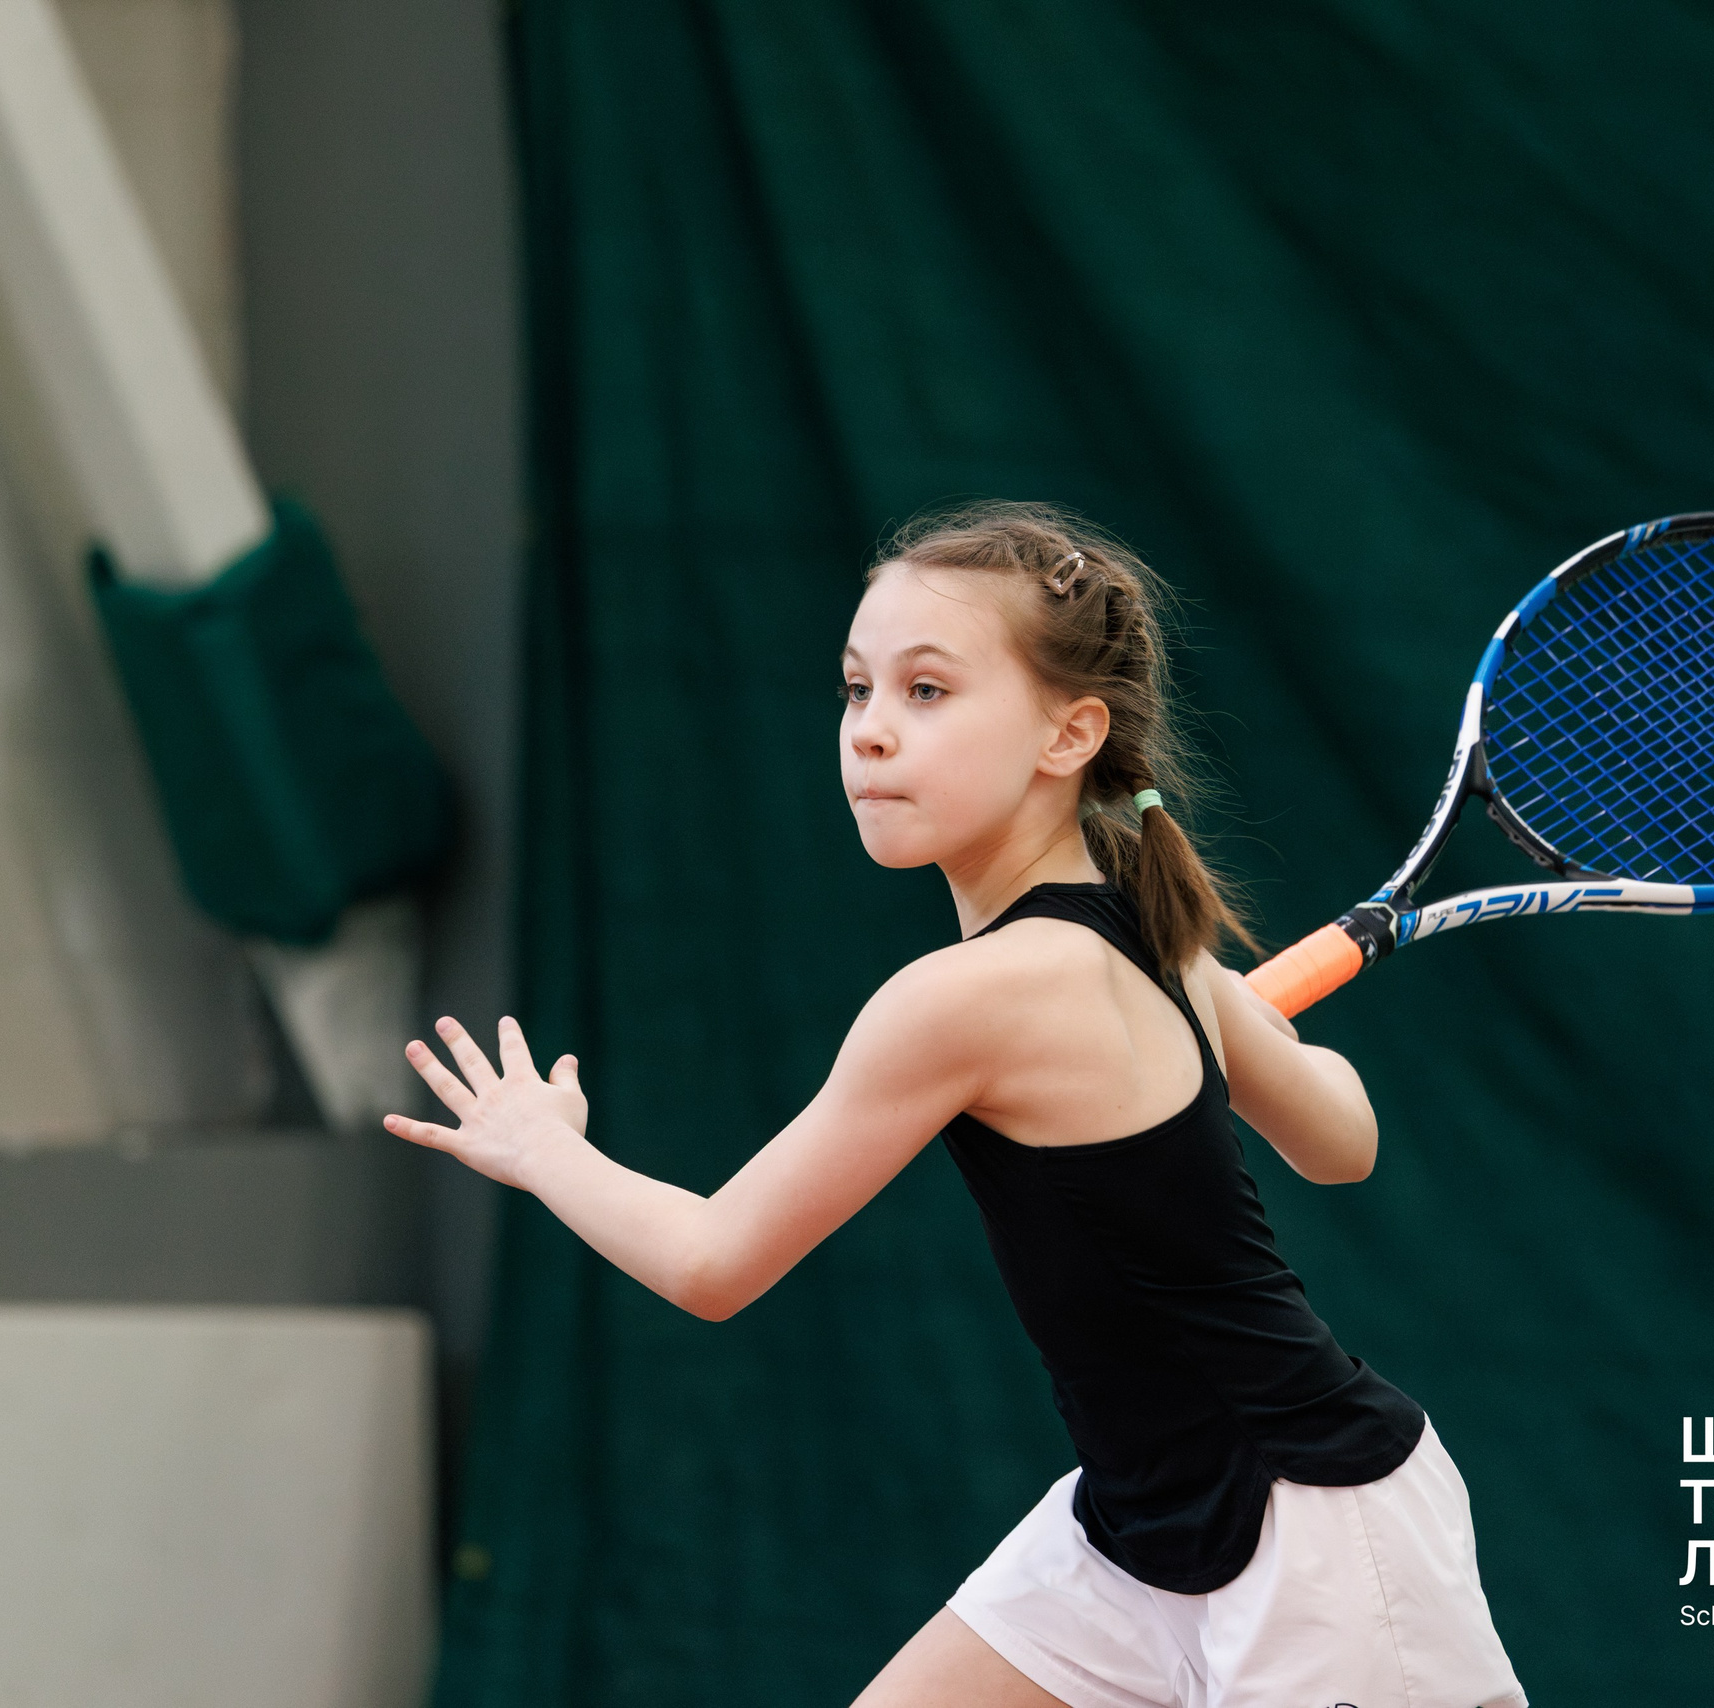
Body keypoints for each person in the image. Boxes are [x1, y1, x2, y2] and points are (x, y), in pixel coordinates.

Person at [388, 503, 1525, 1708]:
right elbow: (1340, 1137)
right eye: (855, 689)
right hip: (1142, 1524)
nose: (869, 733)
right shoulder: (1153, 937)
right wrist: (1235, 1017)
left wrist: (542, 1147)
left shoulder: (968, 997)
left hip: (1313, 1539)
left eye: (926, 692)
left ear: (1069, 731)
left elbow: (712, 1261)